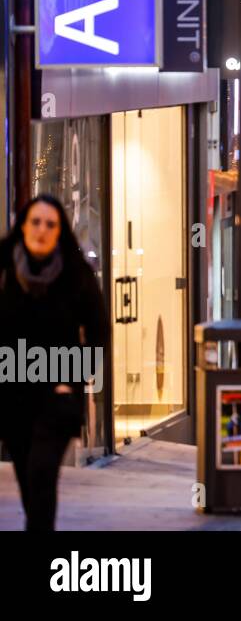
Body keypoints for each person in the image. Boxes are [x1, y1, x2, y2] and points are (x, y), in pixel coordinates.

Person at [0, 195, 109, 531]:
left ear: (60, 231)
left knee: (41, 472)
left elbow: (99, 331)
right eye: (36, 222)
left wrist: (74, 379)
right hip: (12, 394)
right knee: (27, 478)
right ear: (23, 226)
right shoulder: (4, 268)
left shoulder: (75, 274)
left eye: (51, 224)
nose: (42, 230)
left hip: (57, 394)